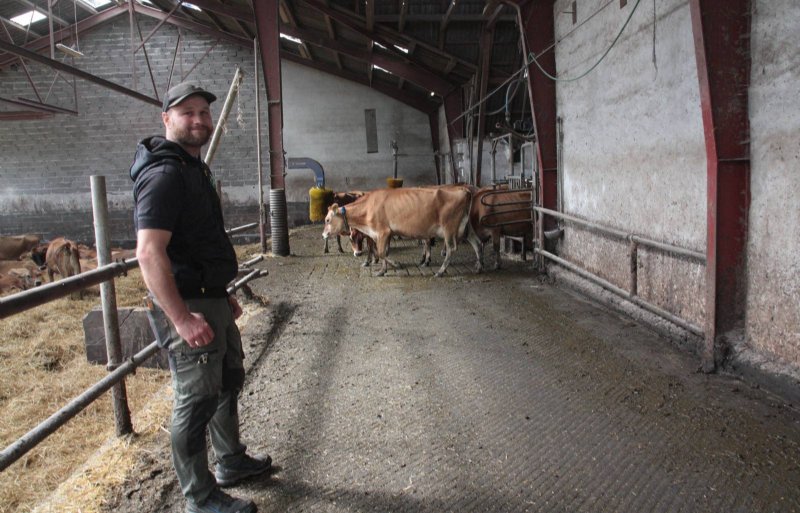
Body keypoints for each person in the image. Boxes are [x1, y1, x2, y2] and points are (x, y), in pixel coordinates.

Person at [130, 81, 270, 513]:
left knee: (225, 381)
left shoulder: (194, 168)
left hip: (209, 297)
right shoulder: (165, 174)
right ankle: (200, 496)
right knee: (194, 401)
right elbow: (148, 253)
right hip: (187, 304)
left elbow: (197, 241)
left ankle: (230, 461)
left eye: (204, 113)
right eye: (187, 112)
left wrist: (222, 292)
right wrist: (181, 319)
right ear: (166, 118)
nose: (199, 120)